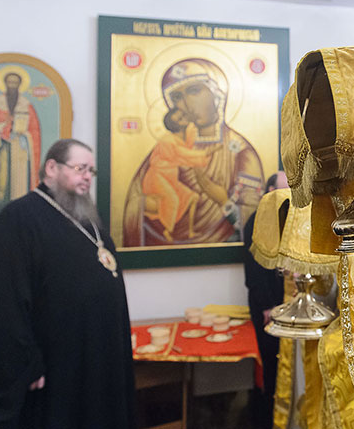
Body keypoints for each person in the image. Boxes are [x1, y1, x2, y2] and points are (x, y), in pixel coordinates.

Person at [0, 139, 135, 429]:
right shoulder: (19, 218)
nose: (87, 177)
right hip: (58, 361)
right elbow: (6, 299)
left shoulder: (87, 218)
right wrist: (27, 361)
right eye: (80, 168)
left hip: (98, 352)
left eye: (90, 171)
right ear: (51, 168)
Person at [123, 58, 264, 246]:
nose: (187, 104)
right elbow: (134, 204)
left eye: (194, 91)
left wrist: (223, 200)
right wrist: (151, 204)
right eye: (177, 97)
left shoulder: (241, 152)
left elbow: (257, 225)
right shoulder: (167, 148)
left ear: (217, 93)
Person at [244, 171, 287, 429]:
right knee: (268, 364)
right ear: (269, 192)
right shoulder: (256, 220)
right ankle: (265, 419)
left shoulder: (288, 217)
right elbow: (255, 271)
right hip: (267, 307)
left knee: (282, 363)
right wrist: (267, 306)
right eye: (282, 190)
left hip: (285, 304)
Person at [141, 108, 217, 242]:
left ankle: (190, 231)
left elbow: (184, 158)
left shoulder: (183, 137)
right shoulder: (167, 140)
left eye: (182, 115)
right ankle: (168, 231)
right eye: (180, 119)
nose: (184, 119)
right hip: (157, 178)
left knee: (193, 197)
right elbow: (182, 154)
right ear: (175, 125)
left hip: (170, 179)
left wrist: (204, 158)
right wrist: (203, 153)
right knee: (173, 200)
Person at [0, 71, 42, 216]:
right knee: (1, 183)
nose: (12, 86)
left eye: (15, 83)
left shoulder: (26, 105)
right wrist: (3, 127)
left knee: (19, 186)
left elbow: (34, 131)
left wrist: (22, 133)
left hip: (19, 150)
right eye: (10, 82)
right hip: (0, 148)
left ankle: (17, 215)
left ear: (20, 85)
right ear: (5, 84)